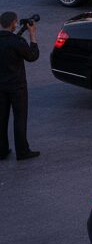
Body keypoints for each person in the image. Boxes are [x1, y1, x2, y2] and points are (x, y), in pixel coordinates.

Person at [0, 12, 40, 161]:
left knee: (2, 119)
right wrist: (32, 35)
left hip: (0, 87)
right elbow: (32, 56)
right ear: (14, 24)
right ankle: (22, 152)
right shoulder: (16, 41)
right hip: (17, 86)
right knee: (19, 118)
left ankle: (2, 151)